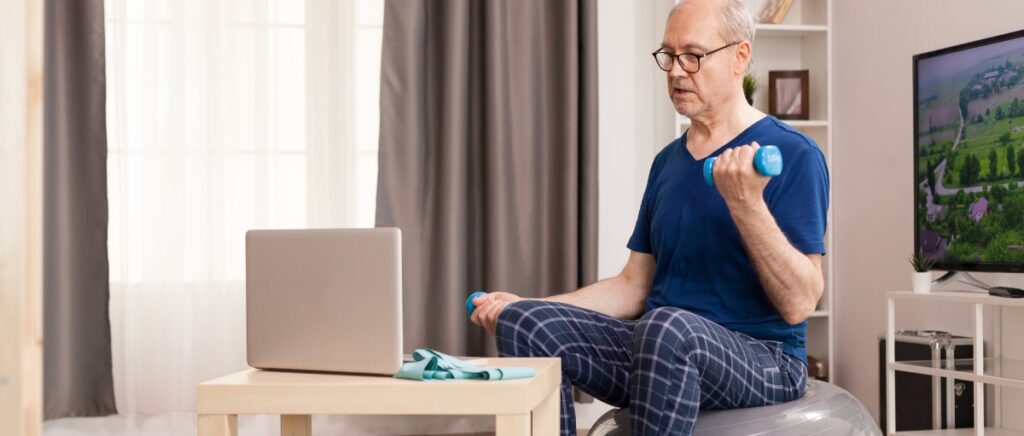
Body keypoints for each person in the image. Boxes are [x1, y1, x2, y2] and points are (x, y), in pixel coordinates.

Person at [469, 0, 829, 434]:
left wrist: (747, 204)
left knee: (667, 326)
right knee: (525, 323)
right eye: (669, 55)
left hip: (764, 358)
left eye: (693, 55)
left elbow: (799, 304)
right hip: (661, 349)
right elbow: (634, 286)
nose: (677, 71)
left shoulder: (794, 154)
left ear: (740, 56)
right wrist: (527, 304)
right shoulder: (668, 163)